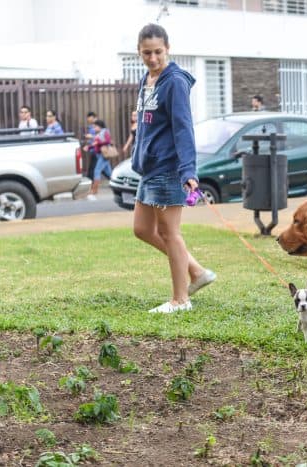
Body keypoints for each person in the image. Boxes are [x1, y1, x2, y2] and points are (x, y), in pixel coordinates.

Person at [132, 23, 215, 314]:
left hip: (169, 167)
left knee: (170, 233)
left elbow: (183, 128)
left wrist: (188, 171)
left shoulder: (175, 81)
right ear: (139, 52)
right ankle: (197, 271)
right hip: (149, 168)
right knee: (142, 229)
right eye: (146, 53)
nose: (152, 58)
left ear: (168, 48)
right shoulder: (147, 79)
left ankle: (181, 299)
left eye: (157, 52)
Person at [83, 119, 113, 200]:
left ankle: (94, 190)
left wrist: (96, 139)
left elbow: (107, 141)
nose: (94, 128)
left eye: (95, 127)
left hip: (103, 155)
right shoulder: (99, 133)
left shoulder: (105, 131)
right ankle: (119, 186)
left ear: (99, 126)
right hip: (100, 155)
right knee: (110, 174)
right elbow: (96, 144)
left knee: (97, 171)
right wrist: (89, 147)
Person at [84, 111, 98, 179]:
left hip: (97, 149)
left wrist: (91, 136)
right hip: (93, 149)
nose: (88, 120)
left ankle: (90, 179)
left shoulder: (98, 126)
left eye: (88, 118)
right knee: (95, 166)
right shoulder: (90, 126)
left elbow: (101, 137)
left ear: (92, 117)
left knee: (93, 167)